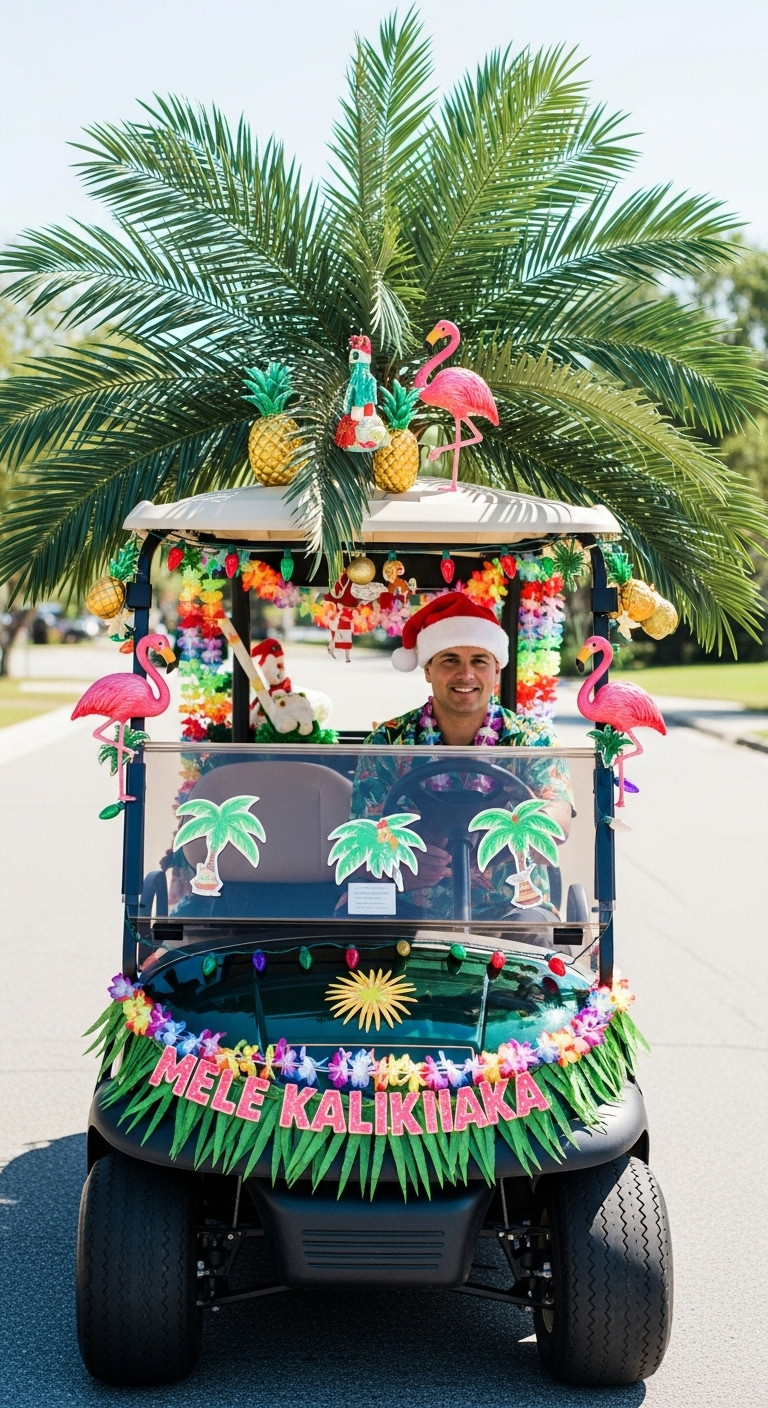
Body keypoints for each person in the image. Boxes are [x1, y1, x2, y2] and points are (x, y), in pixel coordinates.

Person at [351, 592, 574, 922]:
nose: (466, 674)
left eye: (479, 661)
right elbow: (362, 840)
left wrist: (495, 847)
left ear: (496, 669)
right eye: (450, 660)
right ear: (428, 670)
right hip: (409, 912)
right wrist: (401, 862)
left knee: (538, 937)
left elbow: (557, 821)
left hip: (510, 912)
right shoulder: (388, 741)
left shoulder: (530, 738)